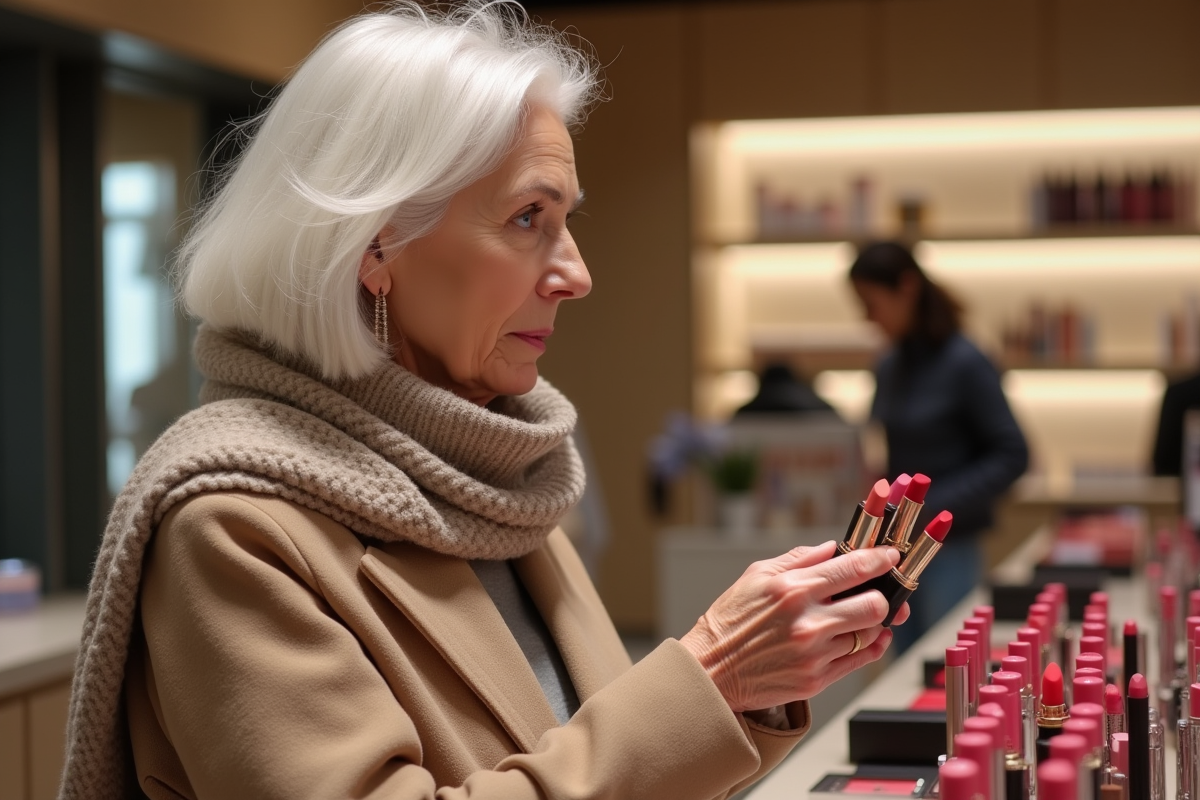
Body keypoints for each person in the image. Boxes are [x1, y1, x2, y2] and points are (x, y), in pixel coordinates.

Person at [60, 5, 907, 799]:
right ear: (376, 242)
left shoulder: (501, 471)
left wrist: (752, 688)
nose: (576, 274)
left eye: (566, 219)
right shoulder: (230, 530)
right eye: (528, 217)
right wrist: (713, 677)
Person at [850, 241, 1028, 652]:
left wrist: (934, 508)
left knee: (948, 669)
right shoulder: (891, 364)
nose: (866, 317)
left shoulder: (965, 361)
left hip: (948, 546)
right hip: (894, 548)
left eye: (870, 302)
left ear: (907, 288)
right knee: (899, 672)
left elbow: (1013, 454)